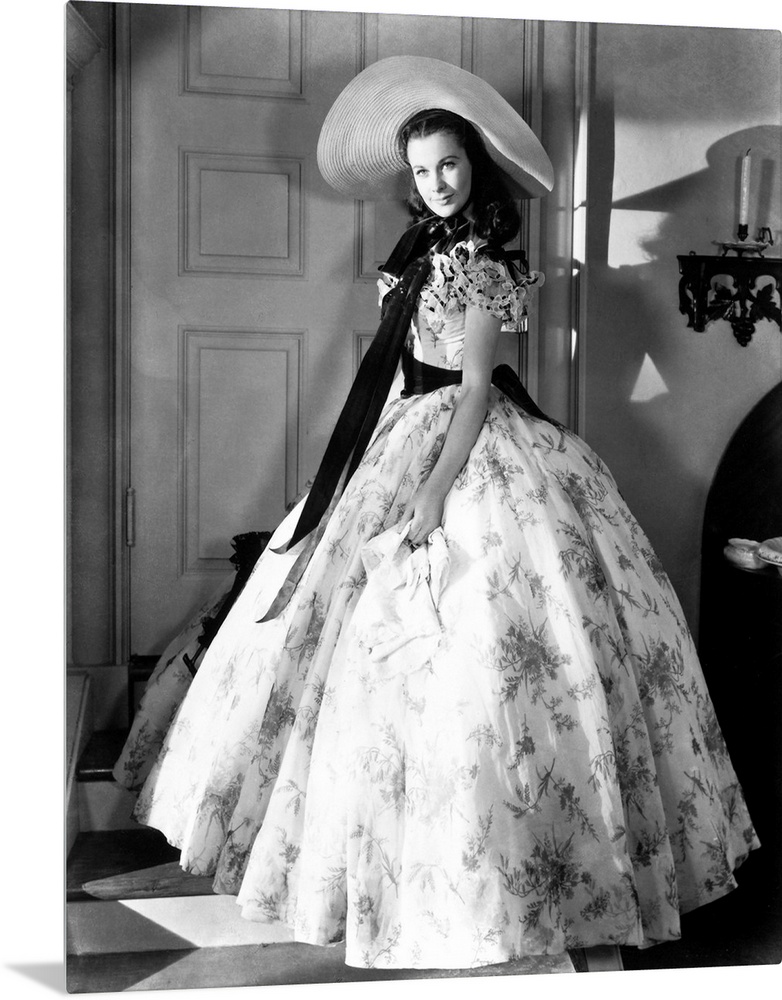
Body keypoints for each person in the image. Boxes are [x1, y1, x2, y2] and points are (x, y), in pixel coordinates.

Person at [123, 57, 758, 971]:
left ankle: (505, 875)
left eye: (450, 165)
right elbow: (400, 376)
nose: (437, 182)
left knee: (489, 638)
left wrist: (429, 492)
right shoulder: (413, 255)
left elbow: (473, 393)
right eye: (422, 171)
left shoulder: (487, 264)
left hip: (476, 441)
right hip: (405, 429)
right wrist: (373, 468)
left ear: (475, 166)